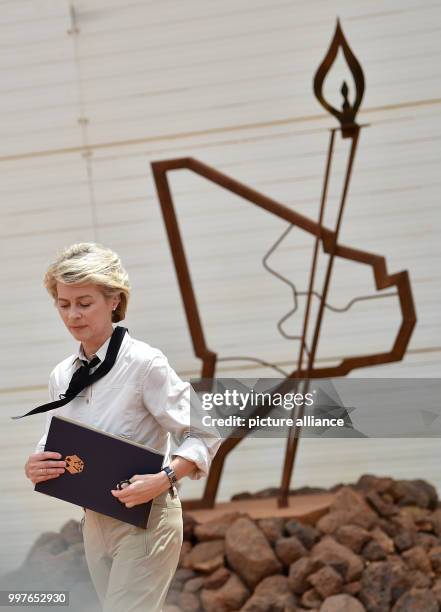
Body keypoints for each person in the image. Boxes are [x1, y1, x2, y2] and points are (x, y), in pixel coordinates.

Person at [23, 242, 221, 612]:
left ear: (114, 300)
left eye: (84, 303)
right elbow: (56, 441)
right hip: (94, 522)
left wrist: (164, 478)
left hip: (147, 519)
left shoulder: (145, 363)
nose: (73, 315)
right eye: (63, 305)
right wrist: (36, 463)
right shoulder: (62, 374)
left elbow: (204, 430)